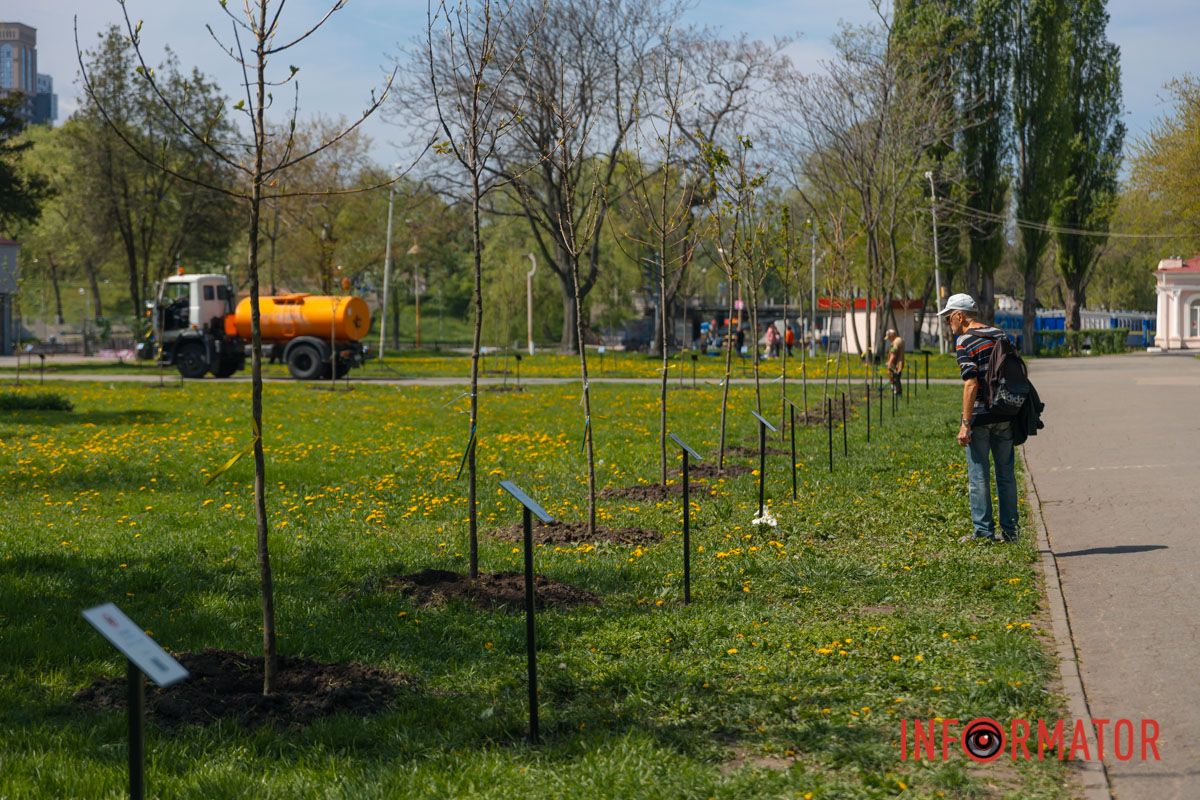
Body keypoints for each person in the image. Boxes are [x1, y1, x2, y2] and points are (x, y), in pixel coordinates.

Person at [938, 293, 1018, 543]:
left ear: (960, 316)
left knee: (979, 474)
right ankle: (1011, 532)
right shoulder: (1000, 335)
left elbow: (971, 383)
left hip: (981, 416)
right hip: (1005, 412)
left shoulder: (964, 341)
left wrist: (965, 423)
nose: (948, 324)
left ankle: (983, 533)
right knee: (1006, 473)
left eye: (949, 318)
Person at [884, 328, 905, 396]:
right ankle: (898, 393)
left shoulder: (896, 342)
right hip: (898, 363)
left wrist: (889, 364)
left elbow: (893, 354)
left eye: (889, 337)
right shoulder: (899, 340)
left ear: (892, 335)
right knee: (896, 379)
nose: (889, 339)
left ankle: (897, 394)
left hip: (896, 364)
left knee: (895, 378)